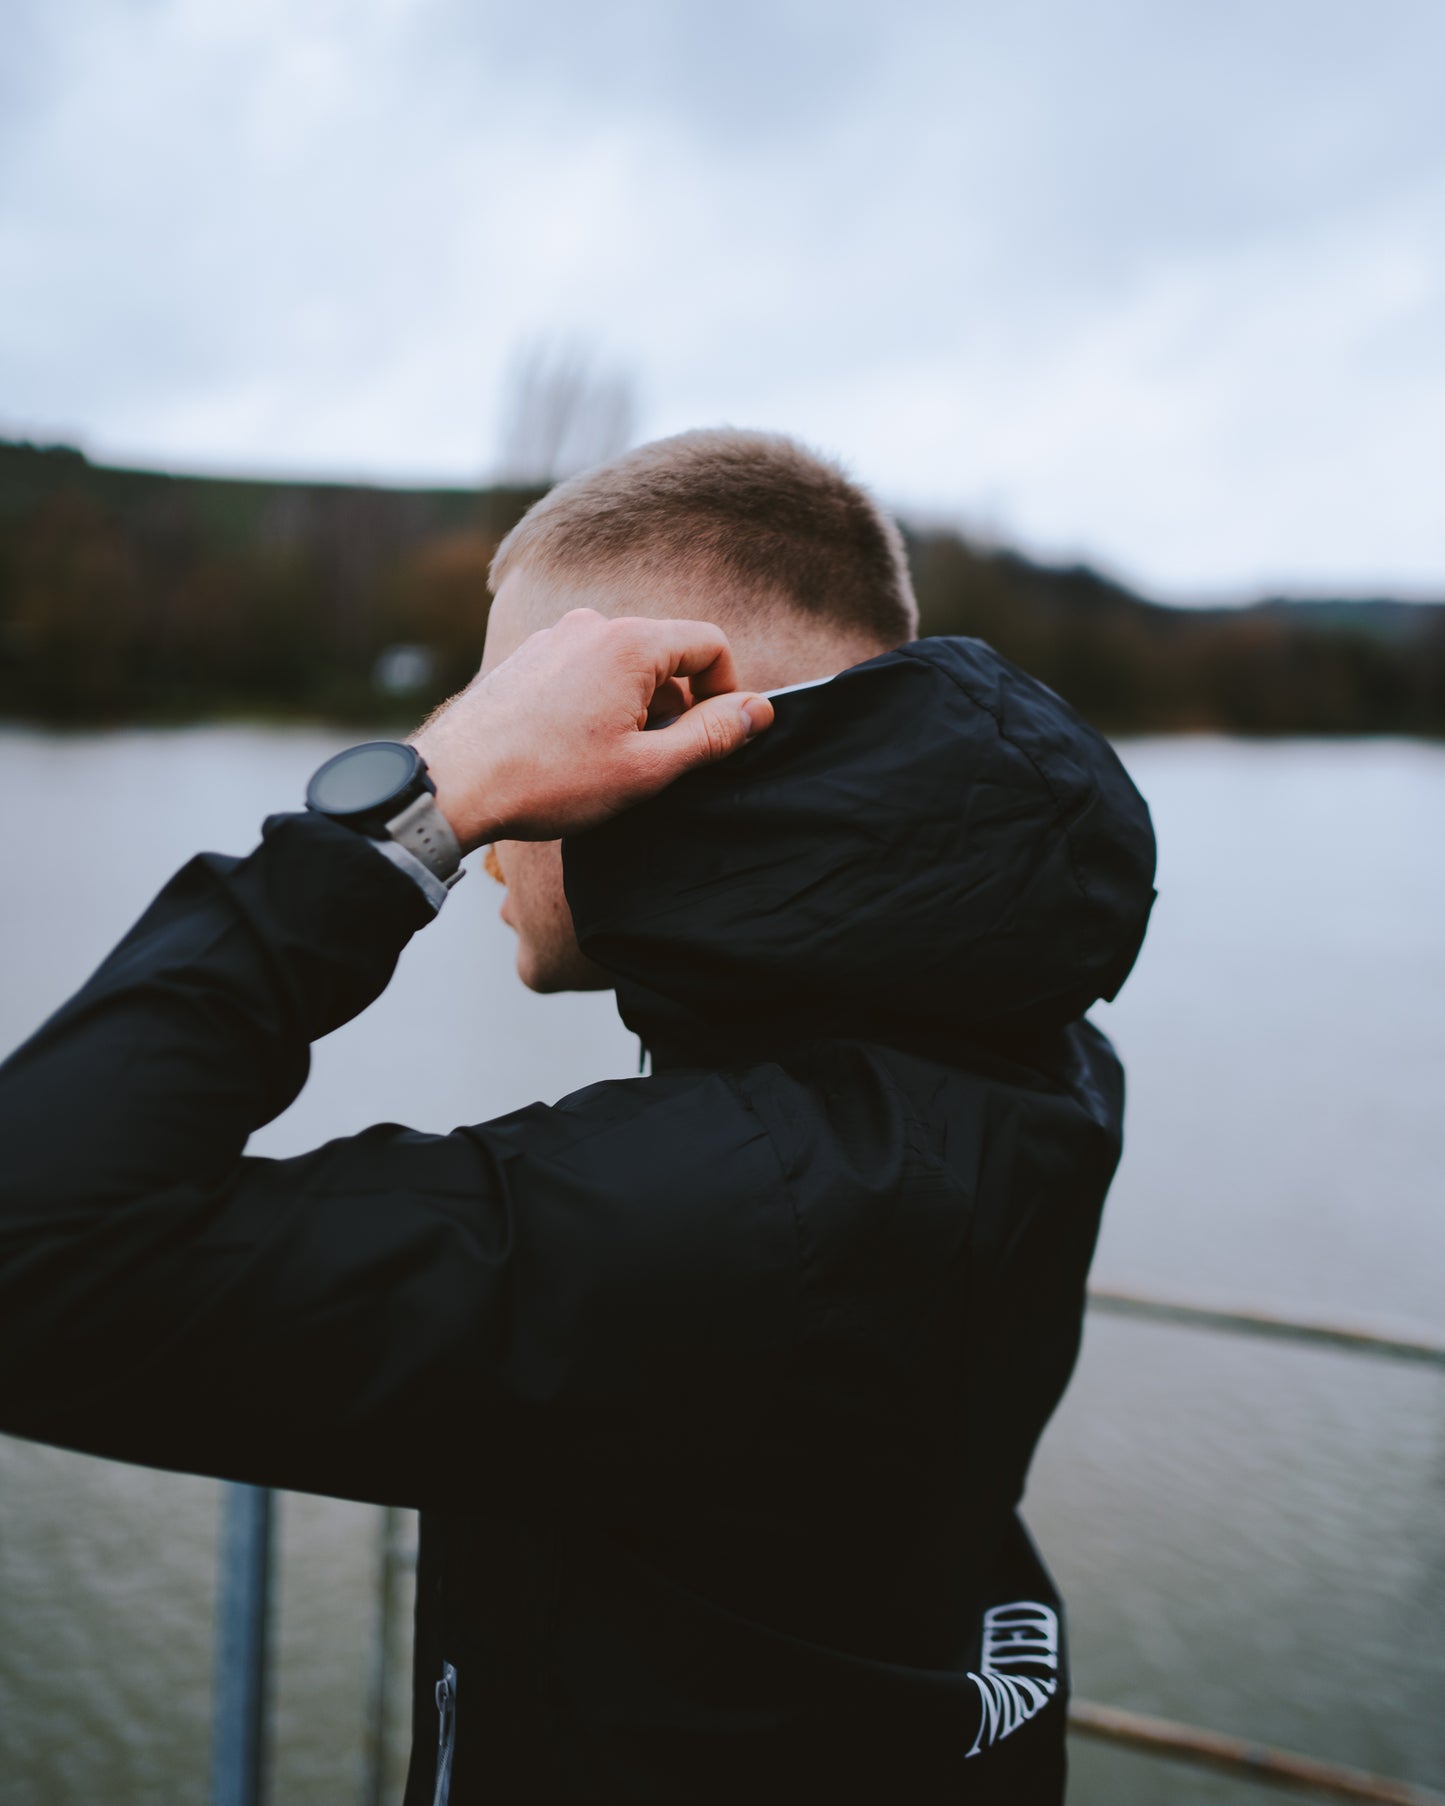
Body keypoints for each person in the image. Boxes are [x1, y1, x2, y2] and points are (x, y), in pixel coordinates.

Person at [0, 429, 1156, 1804]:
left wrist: (427, 800)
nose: (498, 785)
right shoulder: (1034, 1052)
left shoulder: (701, 1211)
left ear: (674, 722)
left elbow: (35, 1246)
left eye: (522, 702)